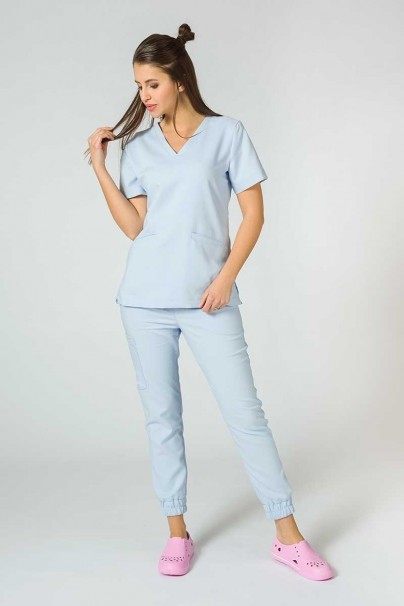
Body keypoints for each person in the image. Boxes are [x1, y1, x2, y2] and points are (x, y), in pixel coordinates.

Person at [85, 23, 334, 581]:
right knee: (162, 417)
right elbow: (136, 227)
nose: (144, 95)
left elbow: (253, 215)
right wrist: (101, 169)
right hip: (144, 301)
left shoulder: (227, 133)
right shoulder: (138, 147)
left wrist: (225, 279)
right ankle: (177, 533)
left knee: (246, 416)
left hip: (208, 300)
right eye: (138, 85)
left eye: (152, 84)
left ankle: (288, 536)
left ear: (179, 79)